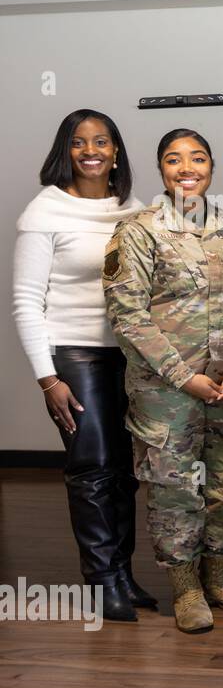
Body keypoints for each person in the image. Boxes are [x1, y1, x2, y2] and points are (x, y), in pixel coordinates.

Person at [103, 129, 223, 633]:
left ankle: (217, 578)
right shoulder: (139, 231)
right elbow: (127, 316)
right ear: (161, 170)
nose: (186, 167)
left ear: (212, 166)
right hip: (165, 392)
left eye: (197, 158)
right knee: (174, 489)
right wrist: (181, 375)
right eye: (174, 160)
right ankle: (186, 587)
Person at [14, 110, 145, 621]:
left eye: (102, 141)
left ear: (116, 152)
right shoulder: (44, 211)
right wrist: (48, 377)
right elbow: (26, 300)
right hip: (74, 354)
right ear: (64, 151)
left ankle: (124, 575)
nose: (91, 150)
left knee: (124, 470)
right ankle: (101, 583)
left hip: (131, 354)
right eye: (78, 142)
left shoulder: (131, 208)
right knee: (92, 468)